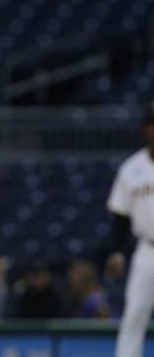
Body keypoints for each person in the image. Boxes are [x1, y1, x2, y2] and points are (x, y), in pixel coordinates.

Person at [109, 103, 154, 357]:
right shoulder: (130, 169)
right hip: (147, 250)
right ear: (145, 130)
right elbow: (120, 217)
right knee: (135, 314)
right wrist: (116, 252)